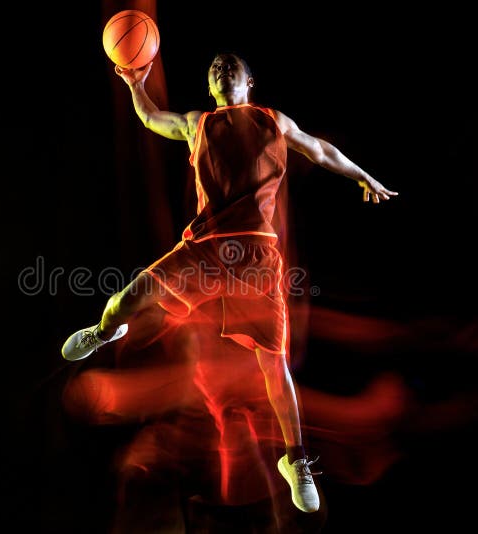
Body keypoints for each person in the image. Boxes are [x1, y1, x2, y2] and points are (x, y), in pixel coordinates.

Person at [61, 52, 397, 513]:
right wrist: (134, 81)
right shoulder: (199, 123)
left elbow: (319, 151)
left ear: (249, 79)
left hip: (255, 254)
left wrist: (363, 175)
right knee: (125, 300)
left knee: (272, 366)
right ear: (209, 84)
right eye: (214, 66)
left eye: (230, 64)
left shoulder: (272, 120)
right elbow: (152, 118)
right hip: (205, 247)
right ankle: (103, 332)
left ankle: (294, 460)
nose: (221, 67)